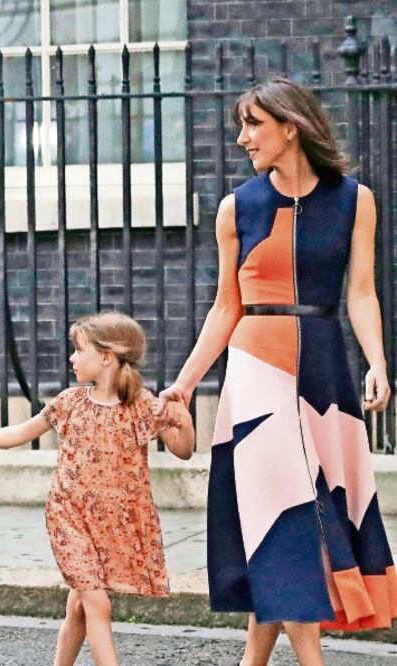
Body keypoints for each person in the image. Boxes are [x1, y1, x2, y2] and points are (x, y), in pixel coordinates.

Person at [158, 76, 396, 665]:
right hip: (256, 370)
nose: (242, 138)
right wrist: (185, 386)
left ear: (290, 126)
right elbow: (224, 307)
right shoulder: (237, 207)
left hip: (325, 368)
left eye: (253, 125)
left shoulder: (353, 199)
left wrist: (377, 362)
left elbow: (360, 293)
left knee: (305, 511)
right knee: (286, 510)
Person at [0, 312, 194, 666]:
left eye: (78, 350)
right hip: (69, 516)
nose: (71, 358)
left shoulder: (143, 405)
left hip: (112, 522)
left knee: (79, 604)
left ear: (106, 356)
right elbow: (17, 434)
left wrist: (186, 421)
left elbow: (183, 450)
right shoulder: (69, 402)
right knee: (97, 602)